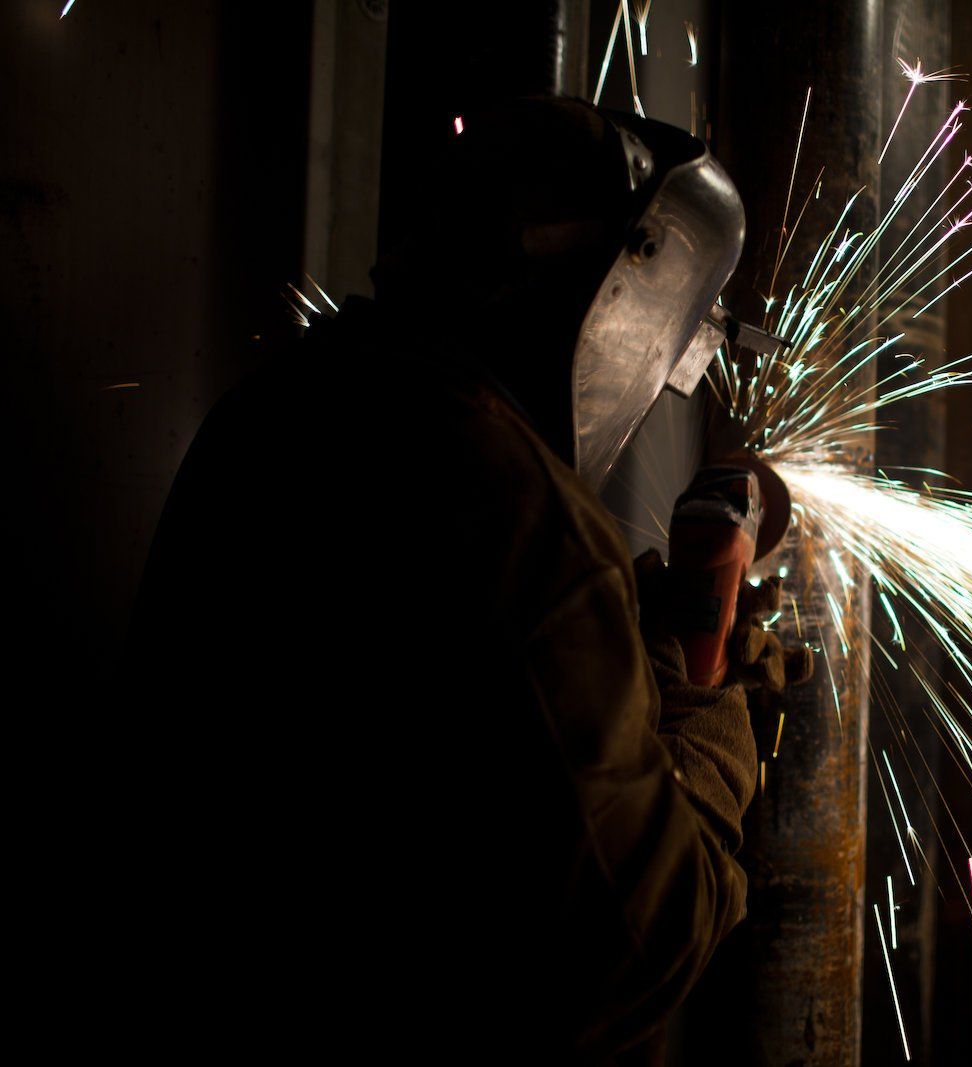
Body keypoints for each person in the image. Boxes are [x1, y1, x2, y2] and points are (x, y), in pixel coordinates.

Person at [120, 98, 805, 1061]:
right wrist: (702, 690)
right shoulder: (521, 516)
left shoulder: (277, 410)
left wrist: (622, 646)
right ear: (621, 290)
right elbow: (644, 940)